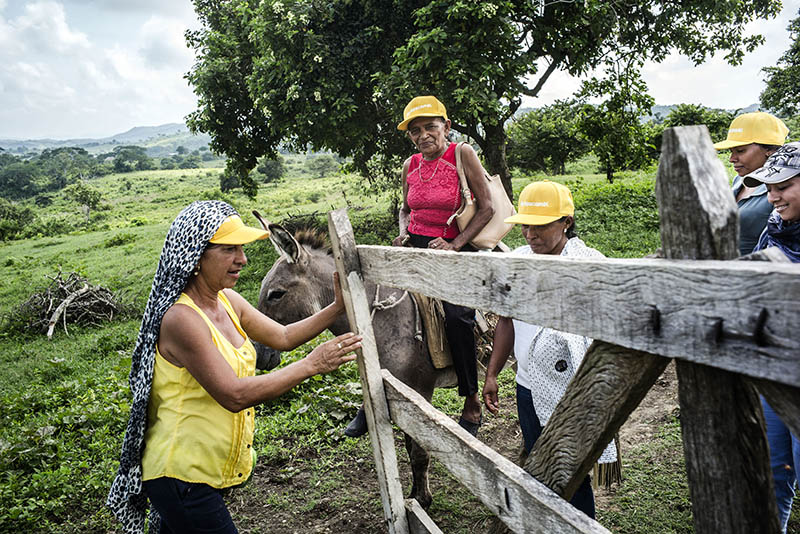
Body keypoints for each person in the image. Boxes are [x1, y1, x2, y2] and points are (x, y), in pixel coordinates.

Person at [106, 200, 361, 534]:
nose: (242, 259)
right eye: (229, 249)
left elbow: (282, 336)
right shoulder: (182, 319)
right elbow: (234, 394)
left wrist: (335, 308)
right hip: (183, 476)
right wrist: (311, 365)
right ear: (195, 255)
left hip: (203, 475)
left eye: (241, 249)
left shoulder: (226, 300)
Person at [343, 95, 494, 438]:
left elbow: (487, 208)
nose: (423, 135)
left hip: (455, 249)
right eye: (415, 131)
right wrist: (403, 233)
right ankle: (372, 397)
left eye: (430, 127)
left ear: (446, 127)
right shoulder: (410, 165)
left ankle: (470, 398)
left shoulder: (461, 154)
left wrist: (455, 244)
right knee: (375, 309)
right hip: (415, 249)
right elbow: (406, 210)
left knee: (457, 316)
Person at [481, 181, 616, 518]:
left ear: (565, 222)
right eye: (524, 225)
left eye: (540, 226)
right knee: (538, 460)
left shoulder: (589, 265)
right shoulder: (516, 263)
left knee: (572, 467)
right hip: (528, 384)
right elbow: (506, 321)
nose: (530, 234)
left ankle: (579, 523)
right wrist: (493, 373)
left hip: (575, 386)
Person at [743, 142, 800, 533]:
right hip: (774, 375)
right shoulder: (775, 229)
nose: (773, 196)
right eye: (769, 186)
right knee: (771, 473)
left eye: (784, 185)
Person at [713, 111, 789, 256]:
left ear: (769, 149)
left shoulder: (782, 189)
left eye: (740, 151)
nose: (732, 158)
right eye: (731, 151)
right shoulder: (739, 181)